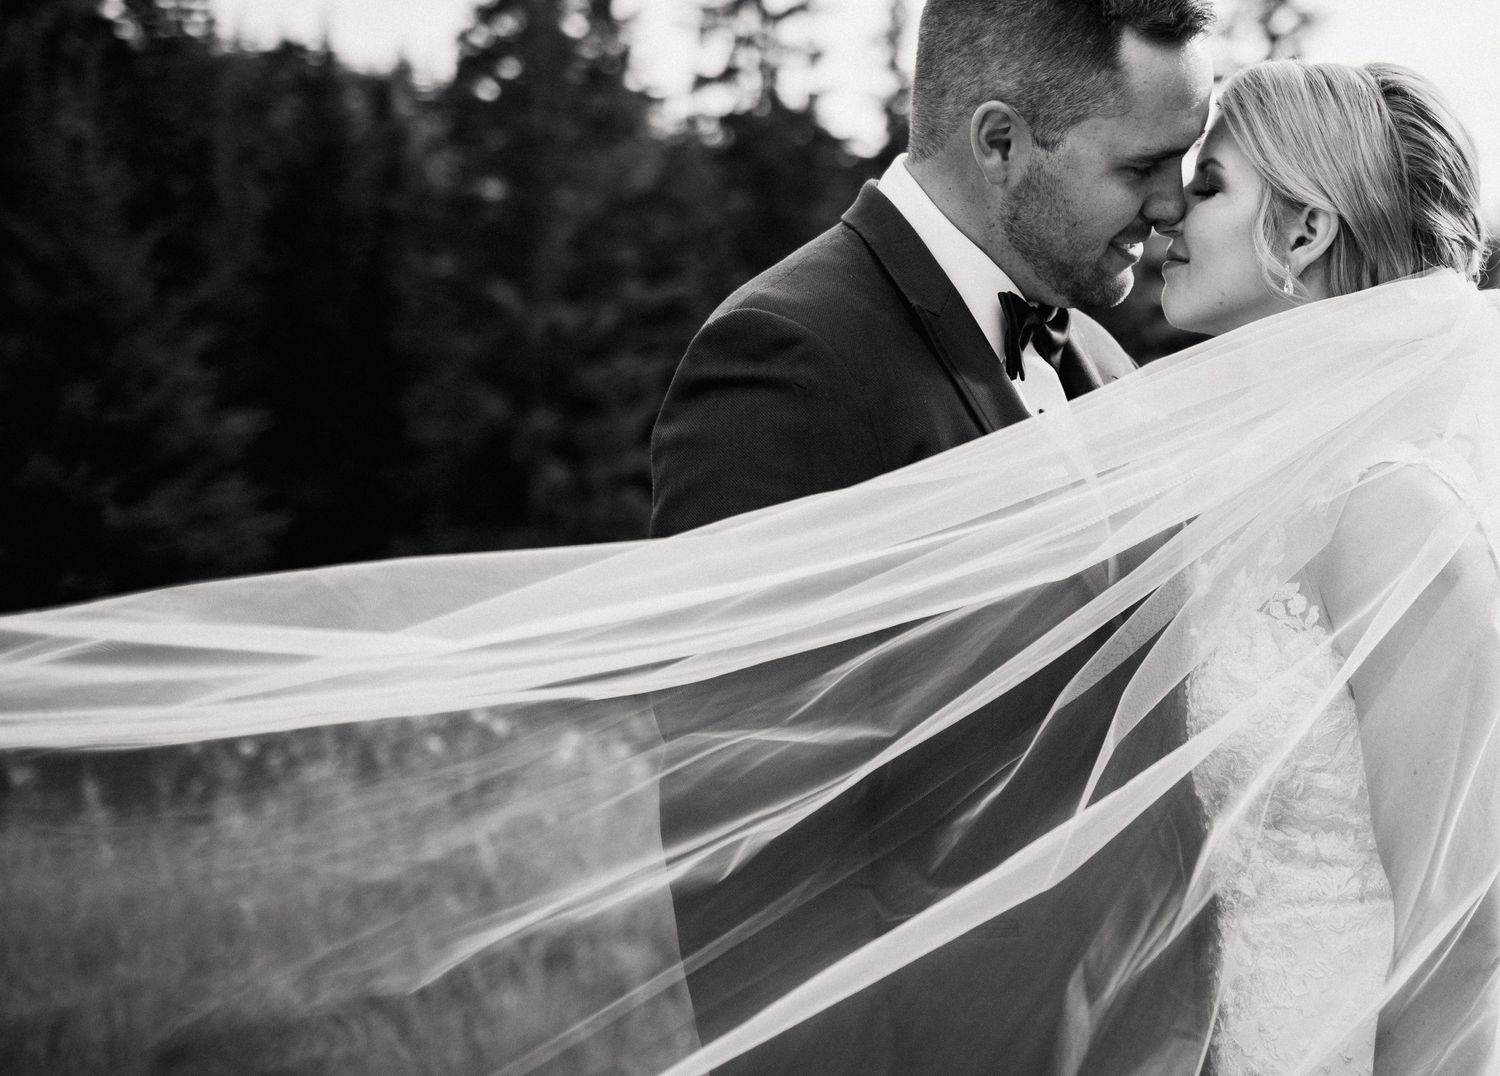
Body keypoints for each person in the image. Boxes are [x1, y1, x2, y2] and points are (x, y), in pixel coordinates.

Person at [648, 0, 1215, 1070]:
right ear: (999, 142)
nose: (1173, 203)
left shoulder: (1101, 360)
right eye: (1144, 165)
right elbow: (750, 858)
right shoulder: (790, 359)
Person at [1151, 60, 1495, 1075]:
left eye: (1209, 184)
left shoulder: (1395, 512)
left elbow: (1463, 935)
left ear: (1304, 232)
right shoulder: (1259, 493)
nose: (1169, 210)